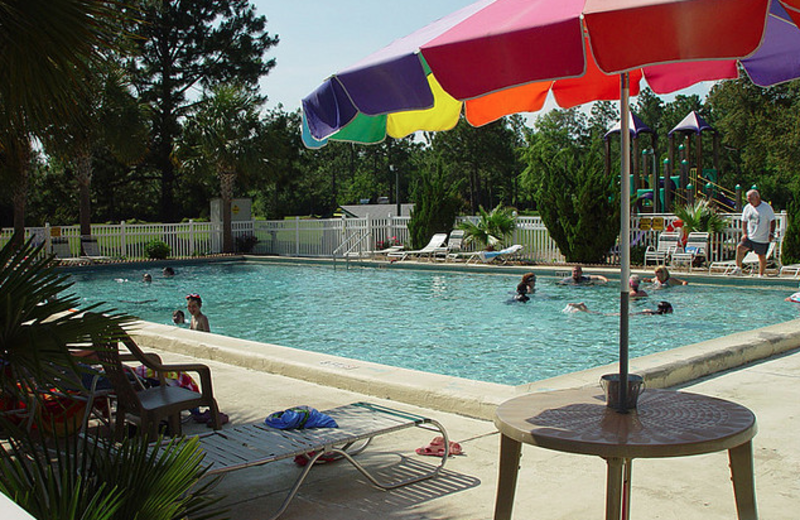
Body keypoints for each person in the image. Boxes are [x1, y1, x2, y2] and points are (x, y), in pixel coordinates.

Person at [733, 189, 776, 277]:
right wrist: (745, 234)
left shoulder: (766, 207)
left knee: (761, 256)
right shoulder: (748, 207)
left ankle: (761, 274)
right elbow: (744, 221)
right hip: (750, 236)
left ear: (757, 197)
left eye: (751, 199)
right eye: (748, 199)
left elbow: (772, 221)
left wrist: (771, 233)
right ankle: (738, 268)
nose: (750, 201)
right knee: (740, 248)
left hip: (762, 237)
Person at [564, 300, 673, 315]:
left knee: (602, 314)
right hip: (633, 315)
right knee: (604, 315)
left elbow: (646, 311)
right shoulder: (657, 314)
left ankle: (584, 309)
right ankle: (584, 309)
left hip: (634, 314)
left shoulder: (653, 312)